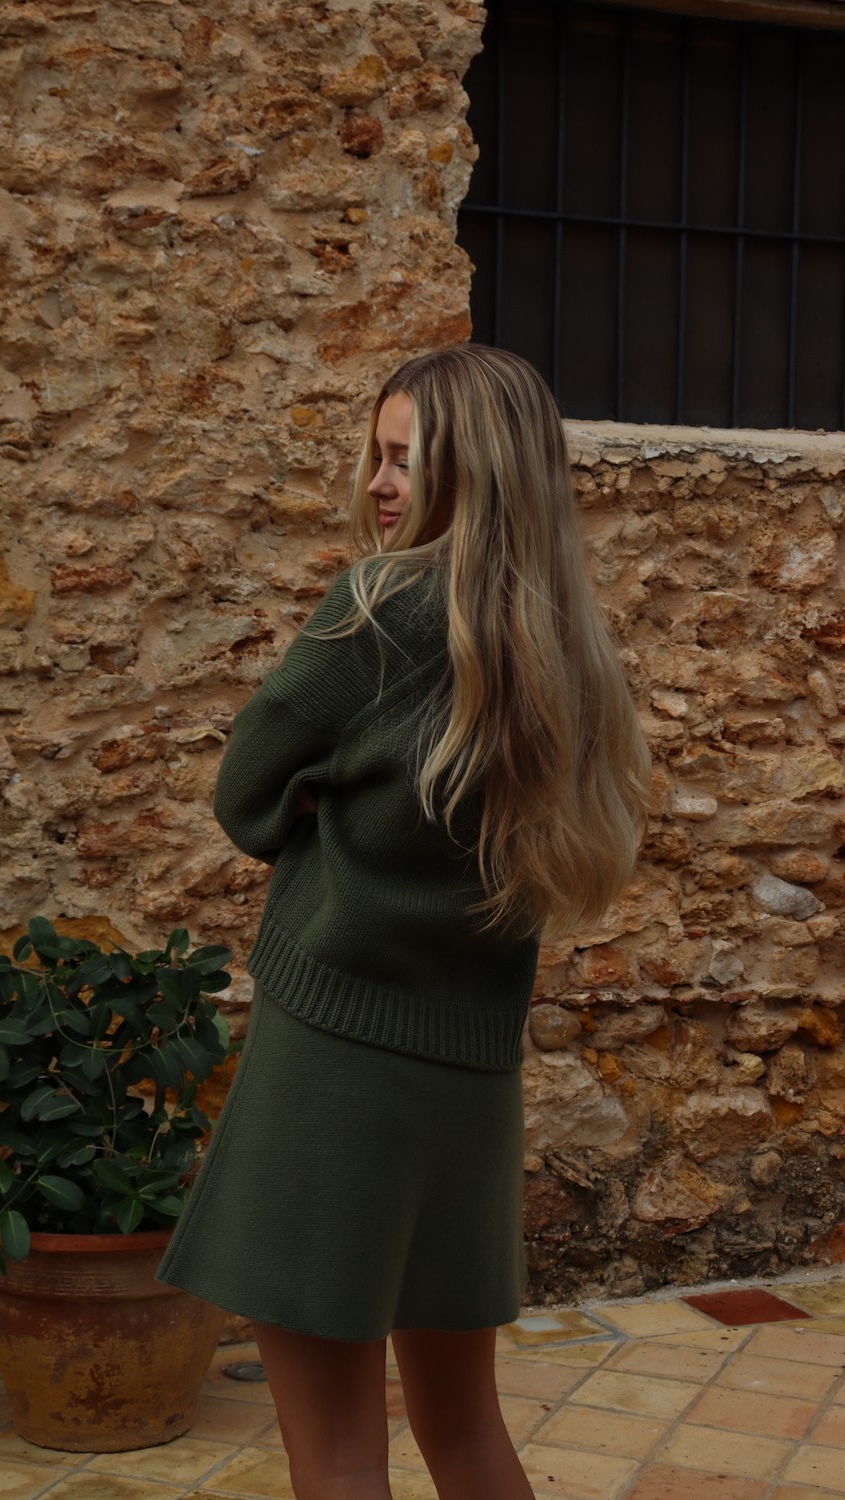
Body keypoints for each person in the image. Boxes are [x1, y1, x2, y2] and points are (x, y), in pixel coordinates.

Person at [157, 345, 651, 1500]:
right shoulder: (566, 644)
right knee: (465, 1432)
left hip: (332, 1072)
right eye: (376, 457)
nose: (380, 484)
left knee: (336, 1456)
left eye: (404, 459)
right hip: (467, 1088)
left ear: (475, 471)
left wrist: (322, 801)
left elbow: (245, 794)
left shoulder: (378, 610)